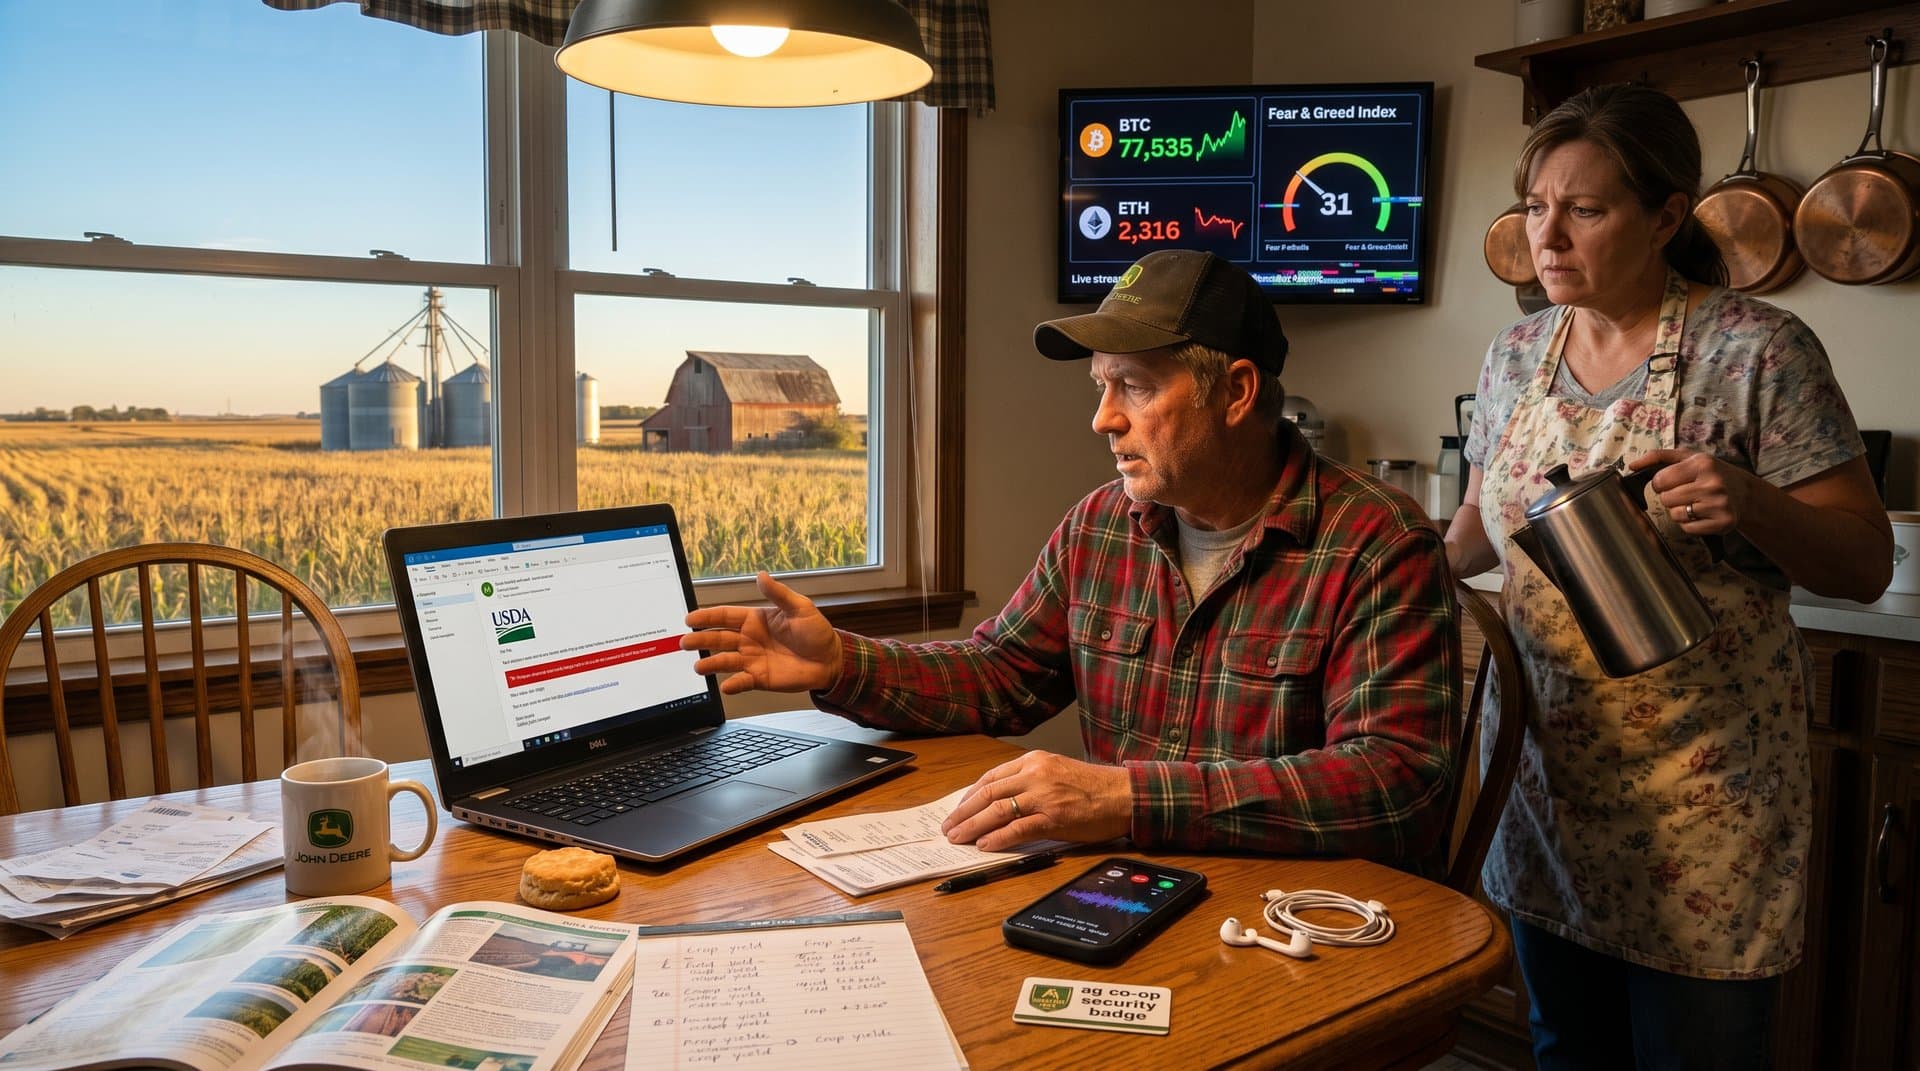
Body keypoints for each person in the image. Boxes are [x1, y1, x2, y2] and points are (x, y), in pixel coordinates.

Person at [683, 248, 1459, 868]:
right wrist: (841, 664)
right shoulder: (1101, 527)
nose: (1103, 418)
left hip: (1299, 925)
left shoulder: (1379, 544)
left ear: (1237, 392)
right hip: (1130, 895)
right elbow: (998, 674)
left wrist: (1126, 800)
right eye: (1099, 386)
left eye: (1133, 386)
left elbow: (1396, 782)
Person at [1445, 84, 1893, 1071]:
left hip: (1701, 808)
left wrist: (1757, 504)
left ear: (1663, 216)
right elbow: (1483, 524)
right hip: (1545, 788)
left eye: (1585, 210)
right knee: (1565, 1050)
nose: (1547, 236)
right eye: (1534, 207)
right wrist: (1392, 567)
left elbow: (1866, 562)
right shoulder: (1515, 356)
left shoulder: (1760, 352)